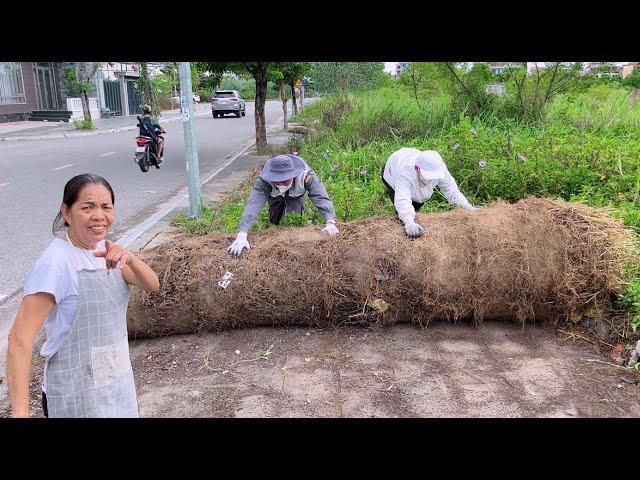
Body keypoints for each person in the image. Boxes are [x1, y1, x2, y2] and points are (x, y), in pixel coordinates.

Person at [6, 174, 160, 418]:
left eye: (106, 207)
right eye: (87, 207)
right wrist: (20, 414)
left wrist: (130, 258)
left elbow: (152, 284)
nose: (99, 215)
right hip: (74, 394)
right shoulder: (56, 262)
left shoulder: (106, 250)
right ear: (66, 212)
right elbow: (19, 340)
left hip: (117, 386)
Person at [228, 154, 339, 258]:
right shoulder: (264, 180)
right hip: (275, 196)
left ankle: (293, 251)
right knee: (274, 218)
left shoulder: (306, 175)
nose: (281, 183)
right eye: (277, 180)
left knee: (294, 219)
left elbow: (320, 196)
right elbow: (253, 204)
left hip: (296, 195)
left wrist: (330, 221)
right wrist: (242, 234)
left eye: (285, 180)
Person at [382, 147, 478, 238]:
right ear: (417, 168)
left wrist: (467, 206)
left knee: (417, 206)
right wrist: (409, 222)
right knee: (405, 214)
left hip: (409, 159)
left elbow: (451, 190)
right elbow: (402, 199)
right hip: (392, 171)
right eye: (428, 176)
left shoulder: (439, 167)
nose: (431, 180)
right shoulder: (405, 173)